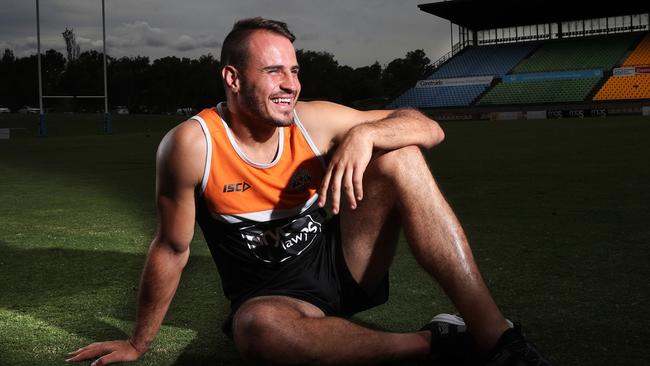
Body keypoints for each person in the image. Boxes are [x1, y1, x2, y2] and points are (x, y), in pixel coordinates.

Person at [66, 17, 550, 366]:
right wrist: (138, 343)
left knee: (401, 152)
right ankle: (435, 342)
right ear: (232, 78)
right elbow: (173, 248)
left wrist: (366, 134)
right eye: (274, 71)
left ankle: (497, 340)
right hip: (272, 297)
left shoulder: (314, 121)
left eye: (294, 71)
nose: (290, 85)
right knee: (258, 333)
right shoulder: (192, 145)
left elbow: (429, 128)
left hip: (344, 265)